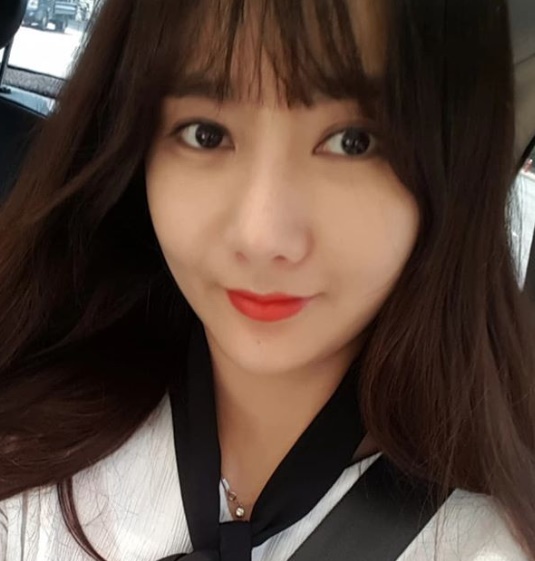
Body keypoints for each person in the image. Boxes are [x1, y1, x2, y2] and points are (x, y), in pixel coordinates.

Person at [0, 0, 534, 560]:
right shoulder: (29, 448)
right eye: (206, 134)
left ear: (454, 170)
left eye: (353, 141)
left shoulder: (489, 544)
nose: (262, 236)